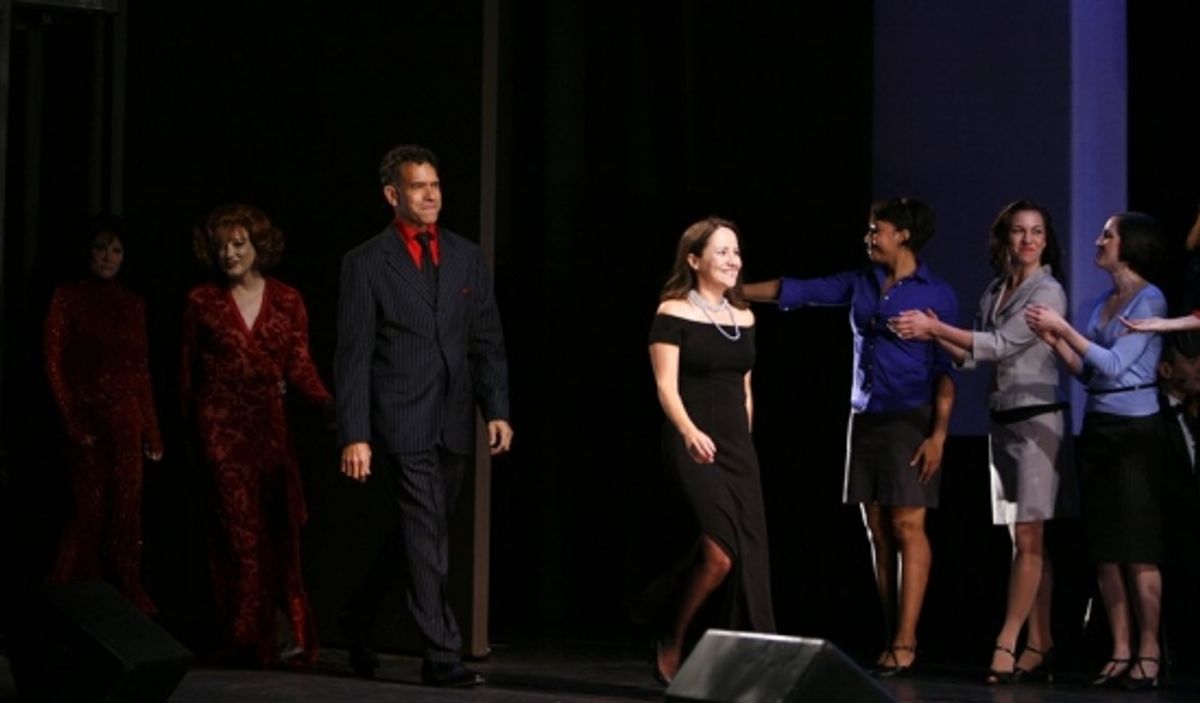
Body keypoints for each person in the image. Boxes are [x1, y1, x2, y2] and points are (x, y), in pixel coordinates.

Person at [743, 197, 957, 677]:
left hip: (910, 419)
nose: (869, 235)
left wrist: (938, 435)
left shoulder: (936, 293)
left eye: (876, 228)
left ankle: (907, 640)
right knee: (878, 529)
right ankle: (890, 635)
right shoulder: (862, 281)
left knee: (908, 526)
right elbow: (800, 290)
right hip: (865, 418)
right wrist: (735, 292)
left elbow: (947, 371)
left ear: (902, 234)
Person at [335, 144, 512, 688]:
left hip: (454, 416)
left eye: (436, 184)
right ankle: (441, 654)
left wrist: (496, 409)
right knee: (425, 531)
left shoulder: (465, 256)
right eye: (419, 186)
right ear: (393, 195)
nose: (432, 195)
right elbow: (354, 353)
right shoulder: (366, 262)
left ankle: (359, 619)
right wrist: (355, 433)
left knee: (422, 534)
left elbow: (487, 340)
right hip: (399, 417)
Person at [890, 200, 1076, 683]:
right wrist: (932, 334)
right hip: (1004, 422)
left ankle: (1007, 642)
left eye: (1037, 231)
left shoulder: (1048, 292)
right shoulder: (998, 289)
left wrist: (936, 328)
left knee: (1031, 537)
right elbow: (973, 356)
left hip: (1038, 423)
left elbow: (1000, 344)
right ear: (1005, 238)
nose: (1028, 240)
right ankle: (1042, 642)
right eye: (1019, 231)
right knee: (1023, 539)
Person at [181, 204, 332, 666]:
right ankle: (244, 638)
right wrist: (187, 433)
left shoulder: (287, 300)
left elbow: (300, 365)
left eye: (239, 244)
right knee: (238, 535)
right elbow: (185, 374)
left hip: (270, 431)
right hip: (220, 432)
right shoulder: (200, 302)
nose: (230, 253)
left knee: (278, 534)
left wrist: (330, 406)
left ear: (257, 247)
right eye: (222, 245)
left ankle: (279, 634)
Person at [1025, 211, 1167, 689]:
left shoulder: (1151, 298)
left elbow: (1111, 363)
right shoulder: (1105, 303)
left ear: (1131, 245)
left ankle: (1149, 649)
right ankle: (1120, 647)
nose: (1098, 239)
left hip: (1134, 435)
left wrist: (1064, 331)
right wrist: (1056, 340)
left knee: (1138, 546)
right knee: (1106, 549)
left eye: (1108, 234)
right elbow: (1086, 374)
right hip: (1101, 428)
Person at [648, 217, 774, 684]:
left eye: (736, 251)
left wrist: (746, 439)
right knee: (720, 552)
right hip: (692, 439)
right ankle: (672, 632)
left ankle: (748, 662)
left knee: (748, 554)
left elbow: (745, 388)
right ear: (694, 259)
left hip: (738, 448)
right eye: (721, 252)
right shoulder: (674, 311)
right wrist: (688, 431)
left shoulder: (745, 317)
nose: (732, 260)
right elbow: (665, 385)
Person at [43, 215, 163, 613]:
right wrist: (71, 417)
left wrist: (152, 431)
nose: (108, 257)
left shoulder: (133, 304)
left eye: (116, 250)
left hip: (126, 420)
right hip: (87, 420)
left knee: (128, 512)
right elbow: (53, 363)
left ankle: (126, 597)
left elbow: (141, 369)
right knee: (89, 510)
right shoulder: (68, 297)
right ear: (87, 252)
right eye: (101, 248)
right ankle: (68, 597)